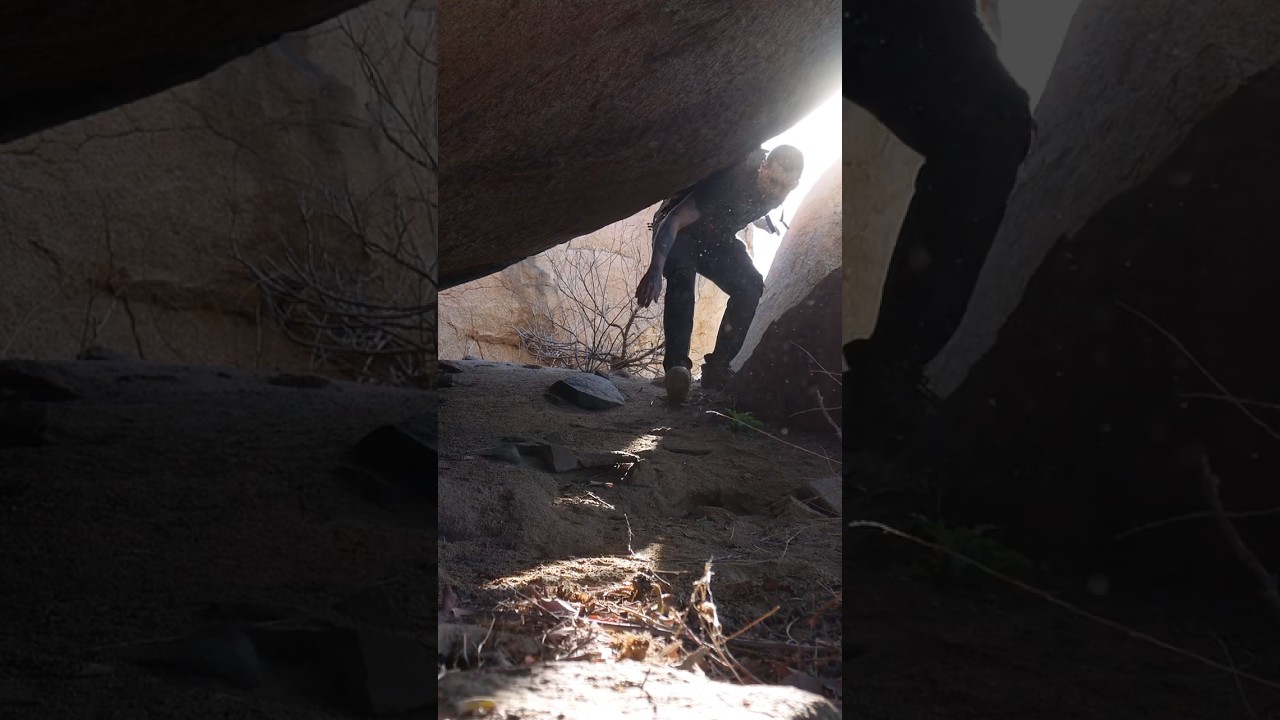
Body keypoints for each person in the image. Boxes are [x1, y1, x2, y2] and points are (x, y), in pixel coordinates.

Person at [635, 145, 804, 404]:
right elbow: (675, 221)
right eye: (773, 181)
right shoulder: (733, 179)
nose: (777, 191)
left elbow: (741, 207)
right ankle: (677, 369)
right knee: (681, 273)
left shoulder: (775, 192)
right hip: (680, 231)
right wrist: (655, 270)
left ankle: (718, 369)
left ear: (795, 184)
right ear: (763, 166)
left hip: (716, 239)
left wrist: (763, 223)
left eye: (786, 187)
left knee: (750, 285)